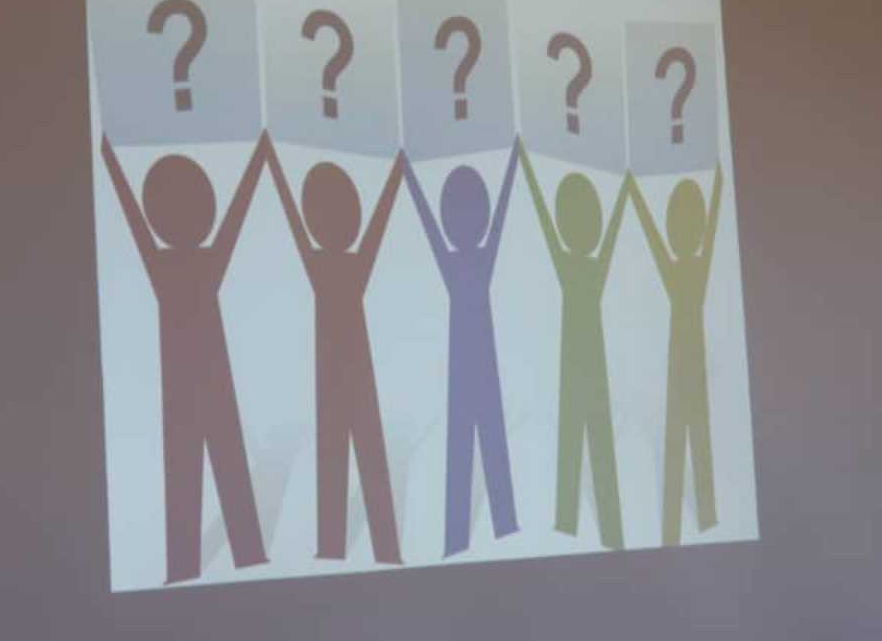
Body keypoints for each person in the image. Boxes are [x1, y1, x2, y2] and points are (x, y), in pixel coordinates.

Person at [100, 132, 271, 583]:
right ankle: (229, 555)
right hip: (199, 376)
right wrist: (258, 160)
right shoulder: (194, 262)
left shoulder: (169, 263)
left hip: (194, 376)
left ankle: (196, 562)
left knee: (197, 465)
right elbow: (232, 216)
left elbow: (137, 218)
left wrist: (111, 161)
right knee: (208, 464)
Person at [263, 139, 404, 564]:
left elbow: (300, 218)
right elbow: (372, 223)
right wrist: (395, 175)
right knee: (347, 452)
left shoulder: (326, 263)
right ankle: (362, 546)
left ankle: (354, 546)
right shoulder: (335, 264)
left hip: (344, 368)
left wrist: (272, 166)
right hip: (342, 367)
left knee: (348, 452)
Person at [402, 138, 521, 558]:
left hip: (472, 362)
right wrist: (512, 164)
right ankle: (490, 527)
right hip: (476, 362)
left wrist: (410, 177)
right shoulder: (474, 261)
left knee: (473, 445)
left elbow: (435, 224)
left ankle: (470, 534)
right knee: (483, 443)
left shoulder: (460, 262)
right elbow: (496, 215)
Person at [517, 142, 630, 550]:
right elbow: (606, 234)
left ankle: (574, 522)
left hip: (581, 362)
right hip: (585, 361)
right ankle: (596, 525)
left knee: (580, 440)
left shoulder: (572, 265)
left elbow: (549, 223)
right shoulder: (588, 266)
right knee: (591, 440)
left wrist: (528, 171)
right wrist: (624, 193)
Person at [626, 165, 723, 547]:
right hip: (686, 363)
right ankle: (695, 520)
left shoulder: (687, 269)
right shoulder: (694, 268)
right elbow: (665, 237)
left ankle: (682, 524)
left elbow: (657, 238)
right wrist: (717, 188)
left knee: (685, 442)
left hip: (686, 364)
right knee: (691, 441)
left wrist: (636, 196)